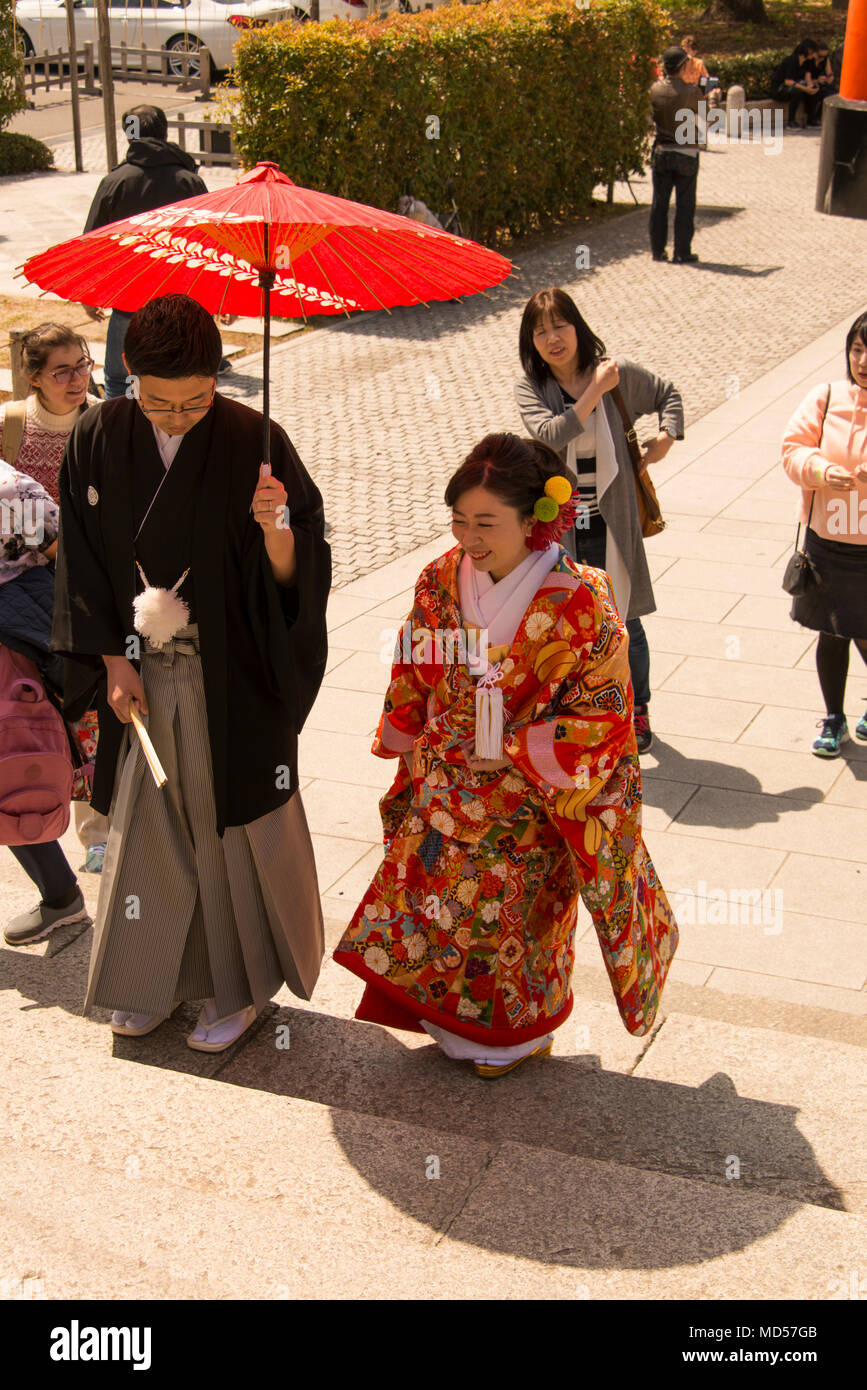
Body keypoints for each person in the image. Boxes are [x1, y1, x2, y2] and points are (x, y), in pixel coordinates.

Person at [332, 433, 678, 1076]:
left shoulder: (581, 597)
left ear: (536, 519)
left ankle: (515, 1035)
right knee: (443, 905)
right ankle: (444, 1017)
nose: (469, 537)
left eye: (487, 523)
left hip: (530, 794)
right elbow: (413, 662)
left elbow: (604, 711)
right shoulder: (439, 577)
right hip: (446, 779)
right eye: (460, 520)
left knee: (510, 918)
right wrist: (408, 745)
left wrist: (521, 749)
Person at [51, 294, 332, 1051]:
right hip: (139, 668)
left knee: (222, 830)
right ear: (128, 375)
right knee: (145, 830)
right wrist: (112, 660)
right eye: (158, 401)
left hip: (229, 673)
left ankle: (231, 990)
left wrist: (274, 528)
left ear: (219, 379)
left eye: (196, 401)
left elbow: (296, 575)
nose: (176, 417)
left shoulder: (255, 437)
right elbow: (79, 555)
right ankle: (149, 981)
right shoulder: (98, 434)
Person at [515, 286, 684, 754]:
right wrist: (594, 392)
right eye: (540, 330)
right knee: (569, 620)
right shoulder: (533, 388)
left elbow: (669, 395)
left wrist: (666, 439)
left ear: (578, 327)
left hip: (613, 517)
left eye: (560, 325)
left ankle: (638, 709)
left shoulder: (618, 374)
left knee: (625, 617)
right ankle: (581, 710)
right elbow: (553, 433)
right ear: (530, 341)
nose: (552, 338)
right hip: (563, 525)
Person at [0, 323, 107, 872]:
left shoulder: (105, 419)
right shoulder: (12, 423)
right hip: (35, 592)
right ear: (33, 376)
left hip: (90, 577)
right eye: (61, 370)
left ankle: (98, 831)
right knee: (43, 706)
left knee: (90, 704)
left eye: (83, 364)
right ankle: (38, 802)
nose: (76, 379)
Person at [0, 459, 90, 945]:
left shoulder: (9, 491)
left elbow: (69, 562)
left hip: (12, 657)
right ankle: (59, 894)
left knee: (11, 771)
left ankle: (60, 896)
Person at [781, 311, 867, 758]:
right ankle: (834, 718)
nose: (863, 359)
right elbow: (792, 450)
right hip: (826, 543)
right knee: (832, 634)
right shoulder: (827, 396)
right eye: (856, 348)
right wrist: (820, 470)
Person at [81, 106, 207, 399]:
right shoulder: (189, 181)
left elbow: (93, 241)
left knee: (119, 382)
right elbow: (208, 241)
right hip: (182, 304)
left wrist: (90, 293)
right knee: (179, 381)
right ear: (165, 134)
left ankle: (121, 439)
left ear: (128, 135)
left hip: (129, 299)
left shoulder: (116, 182)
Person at [649, 46, 702, 264]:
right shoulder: (692, 92)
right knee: (685, 204)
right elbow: (708, 116)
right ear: (682, 66)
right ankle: (682, 251)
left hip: (661, 150)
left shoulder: (654, 89)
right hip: (686, 152)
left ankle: (657, 250)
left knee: (659, 204)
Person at [771, 40, 822, 128]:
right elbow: (788, 81)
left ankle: (811, 120)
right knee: (797, 92)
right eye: (813, 52)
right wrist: (805, 89)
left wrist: (811, 87)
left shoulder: (807, 62)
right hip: (780, 89)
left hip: (796, 86)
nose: (814, 55)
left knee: (814, 92)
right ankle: (791, 122)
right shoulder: (791, 60)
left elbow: (807, 76)